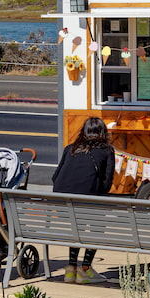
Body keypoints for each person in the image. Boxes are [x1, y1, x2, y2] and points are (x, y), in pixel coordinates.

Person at [52, 117, 114, 284]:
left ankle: (71, 268)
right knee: (98, 224)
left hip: (63, 206)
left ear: (83, 132)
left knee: (76, 227)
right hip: (86, 206)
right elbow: (106, 185)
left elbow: (55, 177)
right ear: (103, 133)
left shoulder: (69, 149)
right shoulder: (107, 151)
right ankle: (85, 269)